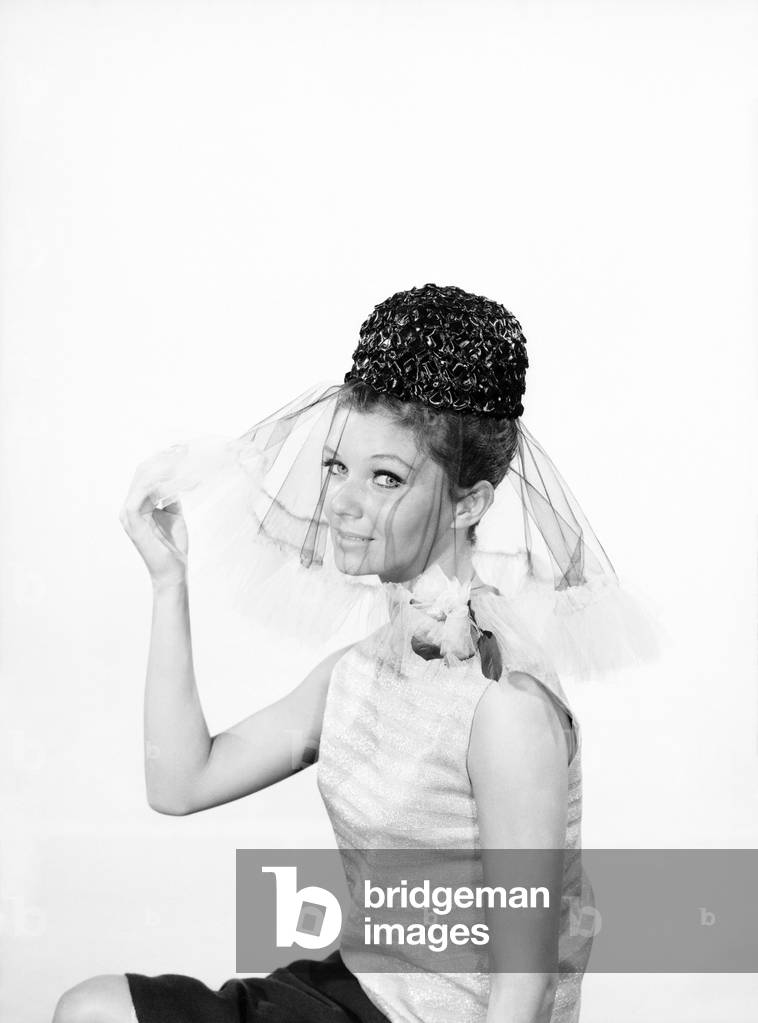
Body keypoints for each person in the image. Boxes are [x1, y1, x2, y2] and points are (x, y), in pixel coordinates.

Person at [53, 284, 658, 1023]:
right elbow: (180, 781)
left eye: (387, 478)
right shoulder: (361, 670)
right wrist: (167, 582)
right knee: (92, 1010)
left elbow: (522, 990)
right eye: (338, 466)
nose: (342, 501)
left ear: (469, 503)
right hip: (356, 992)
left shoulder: (506, 706)